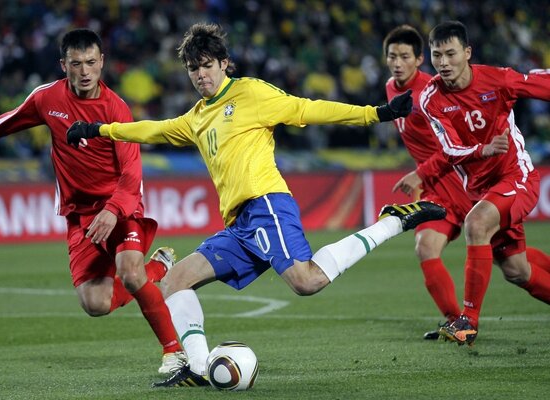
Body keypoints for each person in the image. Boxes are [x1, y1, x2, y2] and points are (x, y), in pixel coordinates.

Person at [66, 23, 446, 387]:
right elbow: (153, 129)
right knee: (174, 281)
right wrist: (99, 129)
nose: (201, 76)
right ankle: (198, 367)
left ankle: (393, 222)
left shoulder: (250, 94)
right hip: (238, 225)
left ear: (224, 64)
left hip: (266, 205)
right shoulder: (197, 118)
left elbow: (308, 109)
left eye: (207, 66)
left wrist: (375, 113)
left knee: (306, 281)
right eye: (193, 69)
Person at [0, 28, 187, 374]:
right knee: (95, 304)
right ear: (64, 65)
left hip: (121, 207)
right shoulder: (48, 99)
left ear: (102, 62)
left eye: (91, 62)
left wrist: (112, 210)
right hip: (79, 215)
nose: (85, 71)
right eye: (76, 63)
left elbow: (132, 175)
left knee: (130, 275)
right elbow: (10, 121)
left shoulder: (116, 109)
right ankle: (158, 268)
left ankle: (174, 352)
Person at [420, 21, 550, 346]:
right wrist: (483, 149)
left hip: (516, 176)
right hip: (482, 190)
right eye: (437, 55)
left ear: (467, 53)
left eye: (451, 54)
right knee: (516, 270)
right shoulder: (431, 99)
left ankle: (467, 322)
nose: (444, 63)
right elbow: (449, 150)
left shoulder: (498, 79)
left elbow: (540, 83)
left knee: (476, 223)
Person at [383, 25, 470, 340]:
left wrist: (421, 172)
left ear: (419, 59)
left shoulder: (430, 92)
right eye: (392, 56)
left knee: (514, 263)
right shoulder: (391, 88)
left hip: (463, 182)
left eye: (405, 56)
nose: (397, 63)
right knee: (425, 246)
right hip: (435, 187)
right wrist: (423, 177)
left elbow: (455, 145)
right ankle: (456, 322)